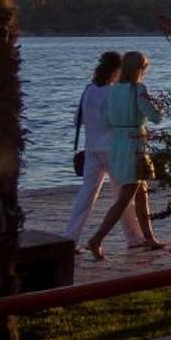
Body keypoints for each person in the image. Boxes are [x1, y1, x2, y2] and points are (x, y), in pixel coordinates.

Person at [86, 51, 165, 259]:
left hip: (117, 143)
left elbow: (105, 119)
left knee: (140, 193)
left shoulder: (113, 91)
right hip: (134, 143)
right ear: (140, 69)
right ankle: (97, 239)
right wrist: (159, 110)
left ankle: (149, 237)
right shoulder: (138, 90)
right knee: (126, 197)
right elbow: (155, 117)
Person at [61, 51, 141, 249]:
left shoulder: (88, 90)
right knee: (123, 196)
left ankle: (70, 240)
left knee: (85, 196)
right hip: (113, 150)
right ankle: (134, 238)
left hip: (91, 149)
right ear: (117, 70)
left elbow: (76, 120)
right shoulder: (114, 92)